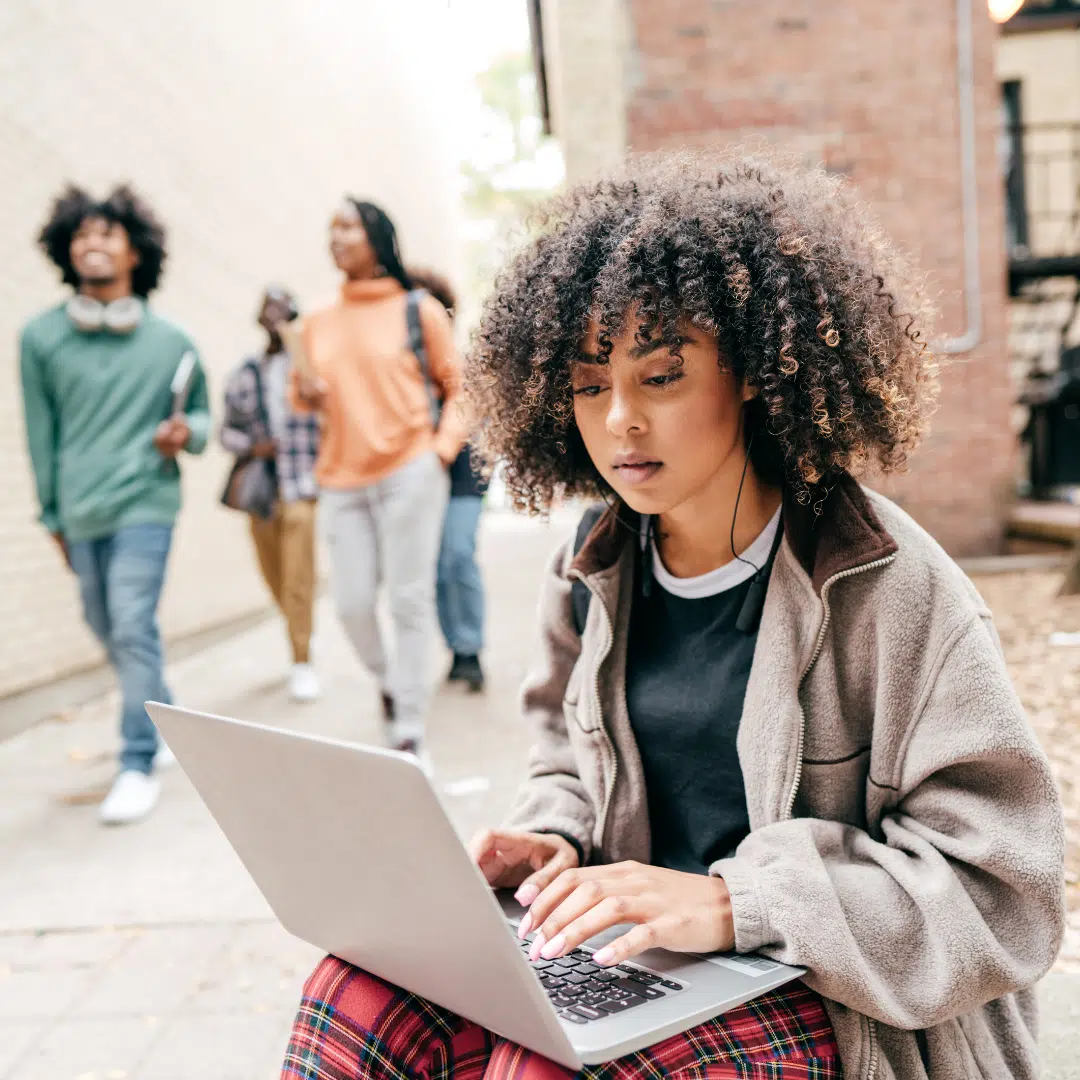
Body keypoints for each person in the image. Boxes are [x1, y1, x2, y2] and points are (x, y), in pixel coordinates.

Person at [282, 155, 1066, 1079]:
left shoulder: (888, 585)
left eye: (661, 376)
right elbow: (564, 756)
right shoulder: (591, 563)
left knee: (542, 1069)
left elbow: (1005, 892)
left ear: (752, 372)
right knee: (353, 990)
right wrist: (553, 836)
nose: (619, 420)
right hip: (641, 959)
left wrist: (739, 905)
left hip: (832, 994)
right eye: (587, 385)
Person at [19, 184, 210, 826]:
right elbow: (39, 435)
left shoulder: (172, 340)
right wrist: (51, 516)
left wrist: (189, 432)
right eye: (81, 235)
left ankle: (136, 758)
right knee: (106, 625)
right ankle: (161, 709)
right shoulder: (40, 339)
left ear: (136, 251)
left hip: (145, 503)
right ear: (65, 252)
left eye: (107, 233)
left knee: (131, 625)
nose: (93, 243)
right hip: (80, 508)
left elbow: (202, 414)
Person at [291, 200, 465, 755]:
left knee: (409, 598)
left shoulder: (419, 310)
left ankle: (409, 725)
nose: (335, 236)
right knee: (350, 603)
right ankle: (391, 682)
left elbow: (460, 386)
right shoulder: (315, 321)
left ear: (377, 237)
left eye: (347, 225)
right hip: (342, 479)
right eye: (330, 227)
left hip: (408, 468)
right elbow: (302, 398)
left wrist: (440, 452)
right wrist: (307, 392)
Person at [220, 287, 321, 703]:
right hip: (262, 490)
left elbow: (327, 409)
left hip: (302, 485)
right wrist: (252, 447)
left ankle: (301, 658)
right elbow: (224, 431)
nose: (275, 315)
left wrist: (297, 341)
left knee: (298, 577)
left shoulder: (309, 364)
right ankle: (299, 630)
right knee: (274, 576)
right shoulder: (244, 372)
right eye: (268, 308)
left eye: (282, 307)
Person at [408, 267, 489, 694]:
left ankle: (472, 647)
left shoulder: (464, 365)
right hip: (417, 476)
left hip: (461, 472)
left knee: (458, 553)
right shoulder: (403, 368)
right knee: (436, 566)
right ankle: (456, 649)